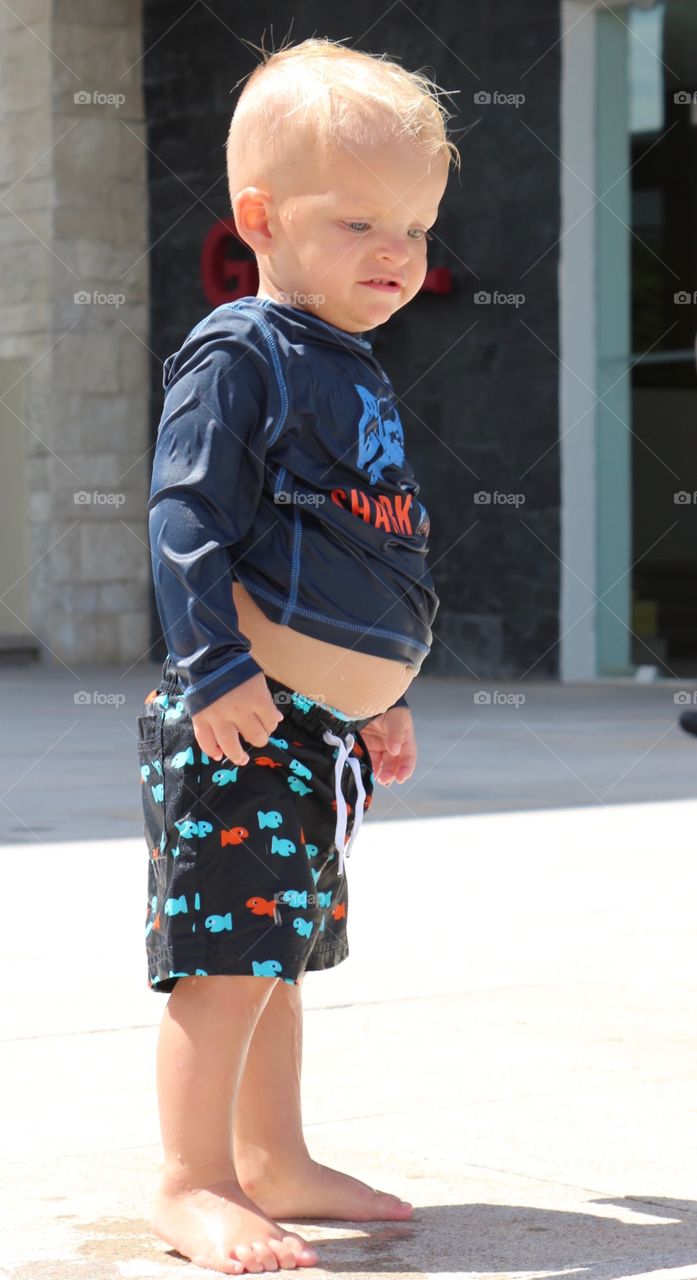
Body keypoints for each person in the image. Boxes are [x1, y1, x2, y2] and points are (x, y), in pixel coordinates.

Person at [137, 34, 460, 1276]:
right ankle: (193, 1177)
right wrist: (216, 665)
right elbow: (184, 517)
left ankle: (275, 1155)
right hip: (242, 709)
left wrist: (381, 693)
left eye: (419, 229)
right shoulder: (244, 353)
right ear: (260, 219)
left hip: (316, 723)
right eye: (360, 222)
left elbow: (366, 549)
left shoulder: (353, 364)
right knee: (226, 956)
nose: (397, 254)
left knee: (279, 955)